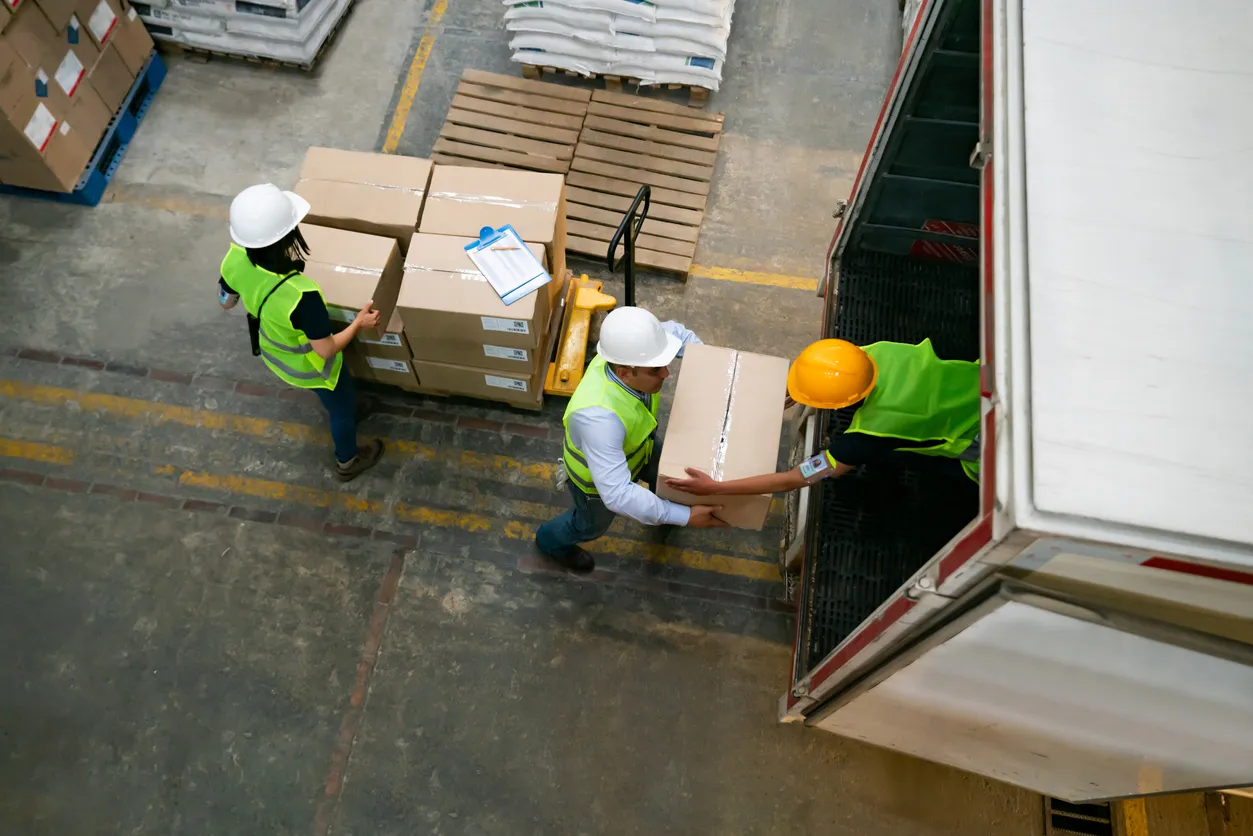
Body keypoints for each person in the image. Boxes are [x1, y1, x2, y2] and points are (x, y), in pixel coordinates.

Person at [535, 306, 727, 572]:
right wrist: (685, 516)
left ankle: (664, 506)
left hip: (639, 446)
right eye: (656, 370)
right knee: (589, 525)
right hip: (596, 486)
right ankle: (550, 542)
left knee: (672, 475)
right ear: (625, 372)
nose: (666, 374)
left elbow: (678, 334)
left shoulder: (636, 349)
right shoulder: (598, 419)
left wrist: (718, 370)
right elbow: (617, 494)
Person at [665, 338, 980, 498]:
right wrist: (801, 385)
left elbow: (796, 478)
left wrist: (716, 488)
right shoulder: (877, 352)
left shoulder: (866, 438)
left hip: (985, 440)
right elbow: (832, 368)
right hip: (990, 384)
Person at [218, 183, 384, 482]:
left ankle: (350, 407)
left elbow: (226, 302)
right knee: (341, 407)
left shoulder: (234, 258)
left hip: (274, 349)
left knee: (339, 397)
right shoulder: (301, 296)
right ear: (285, 236)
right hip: (310, 366)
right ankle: (347, 460)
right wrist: (358, 324)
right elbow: (326, 350)